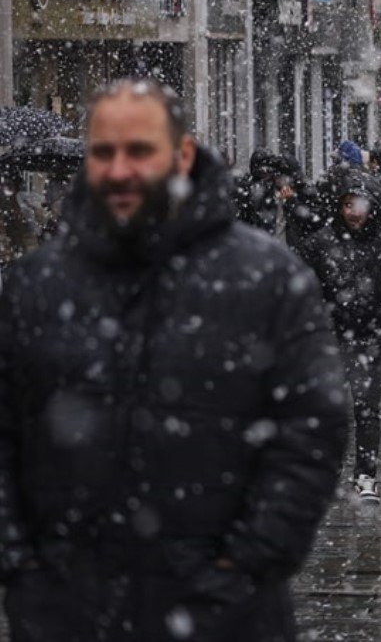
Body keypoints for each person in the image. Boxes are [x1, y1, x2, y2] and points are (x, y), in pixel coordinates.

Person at [0, 80, 348, 641]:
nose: (119, 171)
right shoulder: (34, 286)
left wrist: (248, 561)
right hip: (70, 610)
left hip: (225, 609)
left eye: (139, 151)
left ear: (182, 155)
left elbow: (312, 430)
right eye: (103, 152)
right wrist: (25, 569)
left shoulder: (265, 279)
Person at [303, 168, 381, 503]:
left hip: (372, 338)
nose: (355, 212)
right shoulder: (321, 243)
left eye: (360, 204)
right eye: (348, 205)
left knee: (367, 410)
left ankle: (365, 476)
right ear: (340, 206)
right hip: (330, 338)